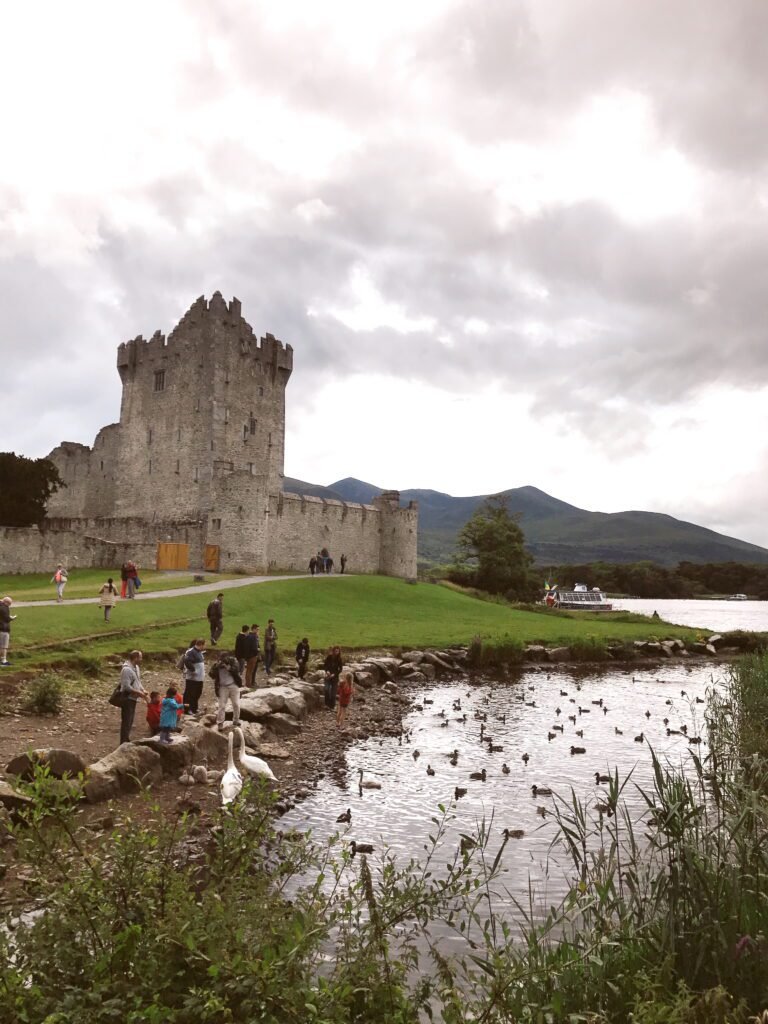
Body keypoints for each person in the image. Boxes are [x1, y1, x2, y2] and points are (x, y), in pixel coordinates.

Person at [118, 650, 148, 745]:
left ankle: (126, 739)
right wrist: (139, 693)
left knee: (130, 720)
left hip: (134, 697)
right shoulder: (126, 670)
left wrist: (143, 690)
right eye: (140, 657)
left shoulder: (137, 668)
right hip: (127, 698)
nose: (141, 659)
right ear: (135, 658)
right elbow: (126, 686)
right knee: (127, 720)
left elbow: (137, 682)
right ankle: (123, 741)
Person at [210, 651, 242, 732]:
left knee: (236, 704)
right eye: (221, 659)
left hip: (233, 685)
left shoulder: (233, 661)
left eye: (224, 659)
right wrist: (216, 667)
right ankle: (220, 723)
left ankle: (236, 720)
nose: (223, 661)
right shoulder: (217, 664)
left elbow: (238, 670)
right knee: (222, 706)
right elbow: (211, 675)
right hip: (222, 687)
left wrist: (229, 668)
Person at [182, 638, 206, 715]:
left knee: (197, 693)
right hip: (192, 678)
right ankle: (187, 709)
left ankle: (194, 708)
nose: (204, 647)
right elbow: (186, 660)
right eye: (204, 645)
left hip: (199, 678)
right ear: (201, 645)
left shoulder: (200, 652)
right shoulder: (191, 651)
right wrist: (193, 670)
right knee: (189, 693)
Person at [323, 645, 343, 710]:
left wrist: (335, 674)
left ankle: (332, 706)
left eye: (338, 651)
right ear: (333, 651)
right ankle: (327, 704)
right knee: (326, 689)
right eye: (336, 651)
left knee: (333, 693)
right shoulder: (329, 657)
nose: (337, 652)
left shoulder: (339, 659)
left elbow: (340, 669)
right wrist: (327, 671)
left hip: (335, 677)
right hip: (328, 676)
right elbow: (325, 665)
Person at [0, 596, 16, 667]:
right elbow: (6, 618)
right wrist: (12, 618)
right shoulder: (4, 608)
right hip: (3, 628)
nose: (9, 605)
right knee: (4, 646)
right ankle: (3, 661)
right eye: (9, 604)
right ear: (6, 603)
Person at [244, 623, 260, 688]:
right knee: (250, 671)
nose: (258, 631)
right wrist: (257, 650)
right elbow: (254, 647)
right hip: (252, 656)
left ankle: (249, 683)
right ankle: (249, 684)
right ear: (254, 629)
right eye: (257, 629)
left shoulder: (248, 636)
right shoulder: (253, 637)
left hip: (248, 656)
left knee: (249, 670)